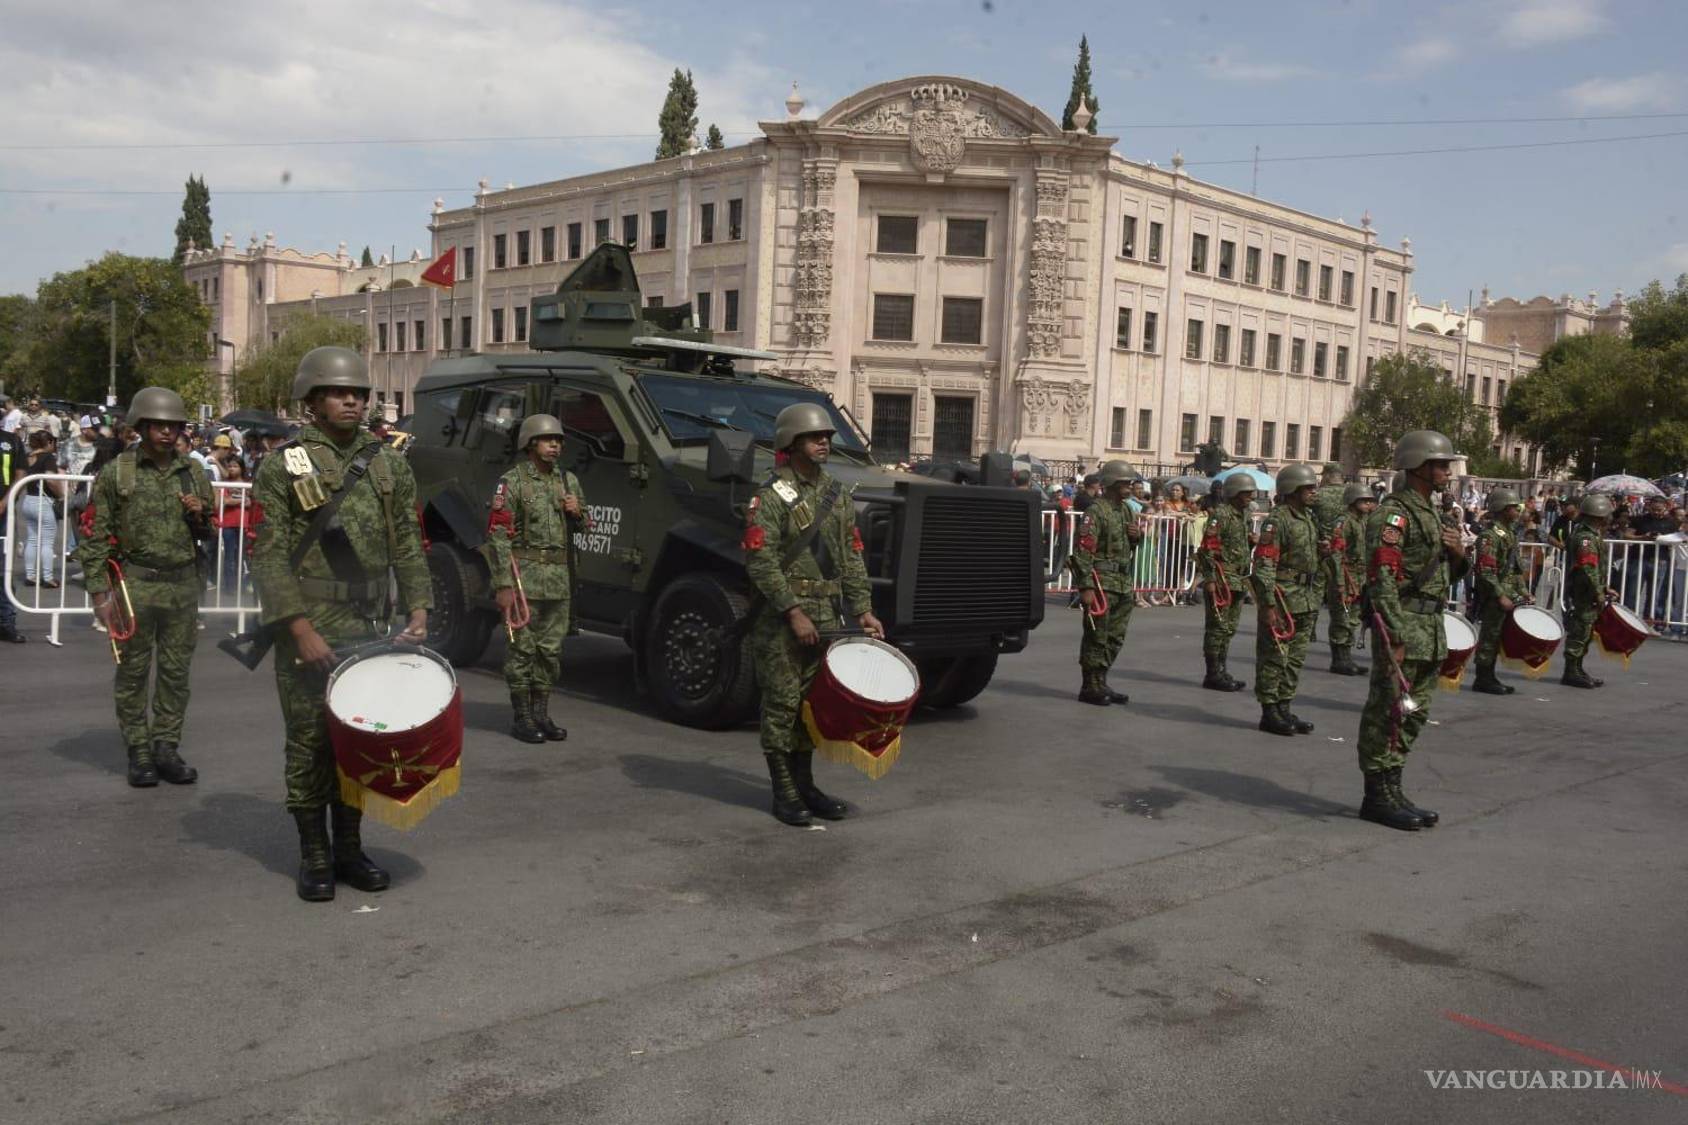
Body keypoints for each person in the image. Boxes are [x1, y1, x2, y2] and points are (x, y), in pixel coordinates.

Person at [251, 347, 432, 901]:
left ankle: (349, 848)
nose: (351, 399)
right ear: (312, 400)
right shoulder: (286, 464)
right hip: (311, 619)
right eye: (337, 391)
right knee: (309, 742)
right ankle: (314, 853)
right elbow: (269, 555)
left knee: (359, 740)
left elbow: (408, 539)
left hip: (370, 621)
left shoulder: (390, 463)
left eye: (358, 392)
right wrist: (297, 626)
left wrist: (418, 605)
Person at [743, 402, 883, 826]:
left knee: (810, 705)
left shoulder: (836, 495)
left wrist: (863, 609)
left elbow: (852, 557)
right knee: (782, 704)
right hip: (782, 619)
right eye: (814, 437)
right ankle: (784, 791)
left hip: (828, 615)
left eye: (826, 437)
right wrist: (792, 611)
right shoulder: (769, 496)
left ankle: (805, 784)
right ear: (791, 442)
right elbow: (760, 560)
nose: (824, 442)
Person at [77, 387, 214, 788]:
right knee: (133, 672)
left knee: (175, 674)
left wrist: (199, 514)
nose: (167, 433)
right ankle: (139, 750)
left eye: (174, 426)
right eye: (159, 425)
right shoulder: (118, 471)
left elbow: (206, 533)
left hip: (182, 586)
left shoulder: (193, 471)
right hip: (135, 585)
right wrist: (99, 593)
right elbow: (95, 535)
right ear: (141, 426)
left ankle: (166, 747)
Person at [1354, 430, 1469, 831]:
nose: (1447, 471)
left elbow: (1445, 577)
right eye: (1440, 464)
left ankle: (1393, 786)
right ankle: (1376, 796)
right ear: (1418, 466)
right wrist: (1394, 635)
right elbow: (1382, 578)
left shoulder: (1433, 514)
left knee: (1413, 713)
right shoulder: (1393, 514)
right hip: (1404, 623)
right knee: (1386, 712)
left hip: (1430, 625)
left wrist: (1458, 555)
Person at [483, 413, 585, 744]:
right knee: (522, 651)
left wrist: (578, 512)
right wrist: (503, 584)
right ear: (530, 444)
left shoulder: (568, 482)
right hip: (522, 577)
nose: (555, 445)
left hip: (558, 579)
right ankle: (522, 717)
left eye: (558, 440)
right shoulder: (511, 482)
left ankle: (541, 713)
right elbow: (498, 535)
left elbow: (585, 526)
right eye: (547, 439)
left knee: (550, 651)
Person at [1251, 463, 1322, 736]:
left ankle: (1284, 707)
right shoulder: (1277, 519)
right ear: (1292, 489)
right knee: (1274, 656)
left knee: (1294, 659)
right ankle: (1269, 711)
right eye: (1308, 488)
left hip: (1305, 597)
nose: (1313, 492)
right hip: (1283, 597)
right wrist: (1268, 603)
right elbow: (1265, 563)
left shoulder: (1307, 518)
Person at [1070, 460, 1142, 706]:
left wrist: (1137, 537)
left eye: (1130, 483)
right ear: (1111, 483)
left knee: (1115, 636)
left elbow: (1128, 545)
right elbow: (1083, 552)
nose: (1129, 487)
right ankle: (1089, 685)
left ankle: (1102, 680)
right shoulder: (1095, 512)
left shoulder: (1127, 510)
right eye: (1125, 483)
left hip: (1121, 581)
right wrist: (1086, 586)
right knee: (1096, 635)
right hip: (1101, 582)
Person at [1196, 474, 1253, 692]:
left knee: (1229, 628)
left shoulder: (1243, 515)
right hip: (1222, 578)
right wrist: (1210, 579)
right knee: (1217, 627)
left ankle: (1222, 669)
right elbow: (1208, 548)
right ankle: (1212, 673)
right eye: (1246, 492)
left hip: (1238, 579)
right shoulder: (1220, 515)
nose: (1250, 496)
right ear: (1235, 493)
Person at [1470, 488, 1530, 695]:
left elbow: (1515, 568)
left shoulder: (1509, 534)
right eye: (1514, 507)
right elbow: (1486, 571)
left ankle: (1490, 675)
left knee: (1499, 637)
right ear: (1502, 509)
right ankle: (1483, 677)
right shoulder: (1489, 536)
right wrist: (1500, 595)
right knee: (1490, 636)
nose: (1518, 510)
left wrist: (1523, 591)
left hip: (1508, 592)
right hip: (1495, 595)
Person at [1560, 493, 1618, 689]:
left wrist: (1603, 587)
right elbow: (1587, 567)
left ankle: (1578, 668)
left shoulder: (1591, 534)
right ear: (1599, 515)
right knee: (1580, 630)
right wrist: (1598, 591)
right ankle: (1571, 671)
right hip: (1584, 592)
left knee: (1586, 631)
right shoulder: (1585, 538)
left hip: (1589, 591)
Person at [1325, 483, 1375, 676]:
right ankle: (1339, 659)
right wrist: (1338, 581)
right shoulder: (1343, 521)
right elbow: (1336, 553)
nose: (1368, 503)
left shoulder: (1364, 521)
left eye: (1369, 500)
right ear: (1353, 501)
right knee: (1341, 617)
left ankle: (1346, 656)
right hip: (1346, 575)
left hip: (1360, 576)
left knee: (1353, 618)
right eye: (1364, 500)